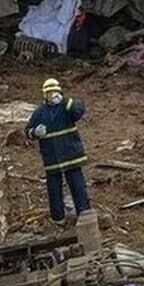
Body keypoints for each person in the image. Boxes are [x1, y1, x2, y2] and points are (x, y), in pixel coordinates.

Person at [26, 78, 91, 224]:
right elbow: (27, 131)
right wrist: (35, 132)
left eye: (54, 92)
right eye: (49, 93)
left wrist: (65, 101)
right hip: (52, 158)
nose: (52, 95)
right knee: (54, 189)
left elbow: (78, 111)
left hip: (71, 155)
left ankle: (85, 214)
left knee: (77, 186)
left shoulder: (67, 106)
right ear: (44, 95)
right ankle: (58, 218)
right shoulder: (40, 112)